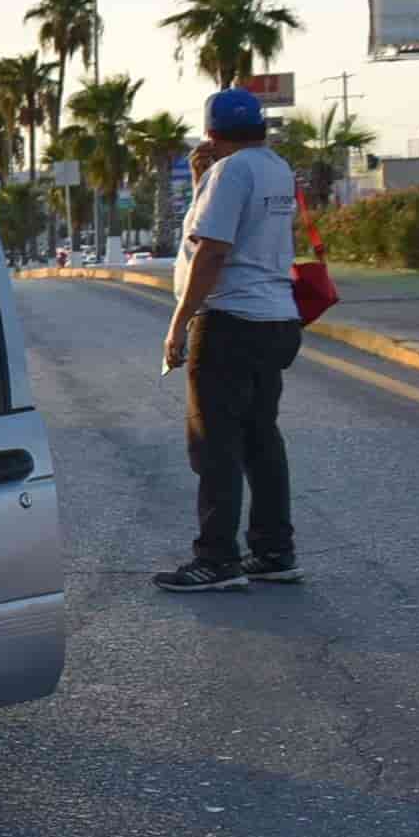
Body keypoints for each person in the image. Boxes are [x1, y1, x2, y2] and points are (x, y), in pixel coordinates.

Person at [155, 87, 302, 593]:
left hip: (230, 321)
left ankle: (217, 558)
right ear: (260, 127)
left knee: (214, 443)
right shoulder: (275, 168)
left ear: (212, 134)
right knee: (262, 437)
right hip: (276, 320)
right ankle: (274, 550)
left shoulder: (231, 171)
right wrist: (202, 181)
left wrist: (179, 322)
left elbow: (212, 252)